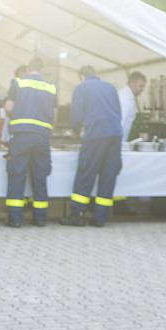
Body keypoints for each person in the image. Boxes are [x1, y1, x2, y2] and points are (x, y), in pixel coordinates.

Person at [61, 65, 125, 227]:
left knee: (85, 173)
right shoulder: (110, 87)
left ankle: (77, 215)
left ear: (81, 76)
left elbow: (76, 114)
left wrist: (75, 131)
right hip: (115, 135)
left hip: (95, 135)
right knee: (108, 175)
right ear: (96, 74)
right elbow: (118, 112)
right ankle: (100, 218)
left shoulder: (81, 88)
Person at [4, 57, 57, 227]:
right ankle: (40, 218)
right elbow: (54, 116)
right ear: (41, 70)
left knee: (17, 175)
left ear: (28, 69)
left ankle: (15, 219)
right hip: (42, 137)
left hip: (21, 135)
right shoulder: (50, 87)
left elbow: (8, 108)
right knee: (40, 176)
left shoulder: (18, 83)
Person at [118, 70, 146, 142]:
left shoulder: (129, 96)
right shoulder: (124, 98)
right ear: (132, 84)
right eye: (140, 86)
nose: (142, 89)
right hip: (119, 140)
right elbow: (121, 121)